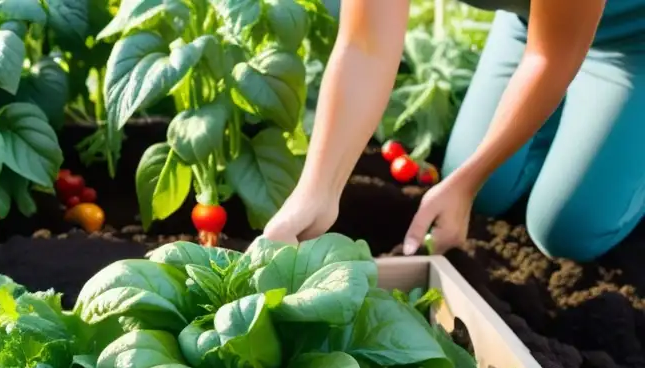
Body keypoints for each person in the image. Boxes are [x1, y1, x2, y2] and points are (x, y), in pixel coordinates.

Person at [264, 0, 645, 263]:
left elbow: (553, 56)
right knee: (487, 192)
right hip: (532, 21)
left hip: (632, 41)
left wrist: (467, 182)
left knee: (566, 229)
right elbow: (365, 46)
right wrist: (317, 189)